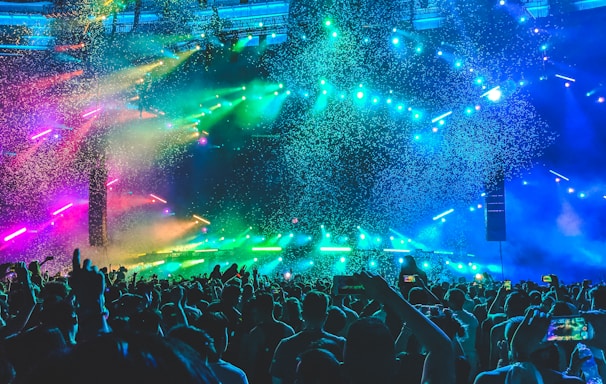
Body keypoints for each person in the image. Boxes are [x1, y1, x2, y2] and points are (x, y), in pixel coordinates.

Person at [270, 291, 345, 384]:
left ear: (303, 314)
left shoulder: (286, 344)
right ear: (326, 316)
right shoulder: (340, 344)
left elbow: (276, 380)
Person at [240, 293, 294, 384]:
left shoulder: (256, 333)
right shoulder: (288, 330)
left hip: (262, 379)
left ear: (258, 309)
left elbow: (251, 363)